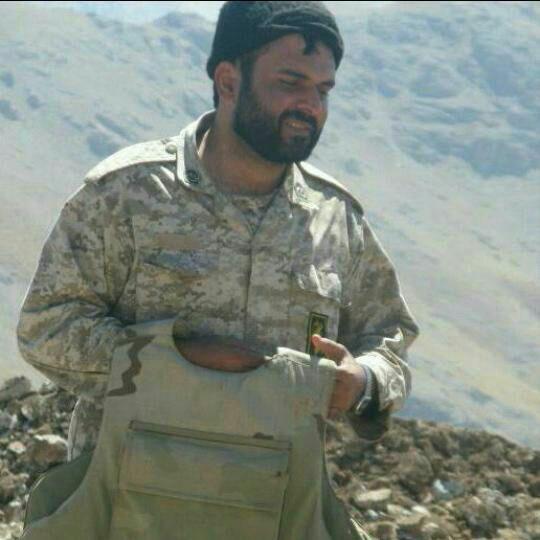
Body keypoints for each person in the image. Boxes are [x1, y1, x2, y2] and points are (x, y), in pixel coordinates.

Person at [18, 0, 418, 503]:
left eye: (322, 90)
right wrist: (173, 361)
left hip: (271, 511)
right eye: (290, 82)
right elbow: (45, 327)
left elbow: (389, 343)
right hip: (127, 508)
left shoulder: (335, 219)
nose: (311, 105)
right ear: (229, 81)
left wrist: (361, 381)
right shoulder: (128, 193)